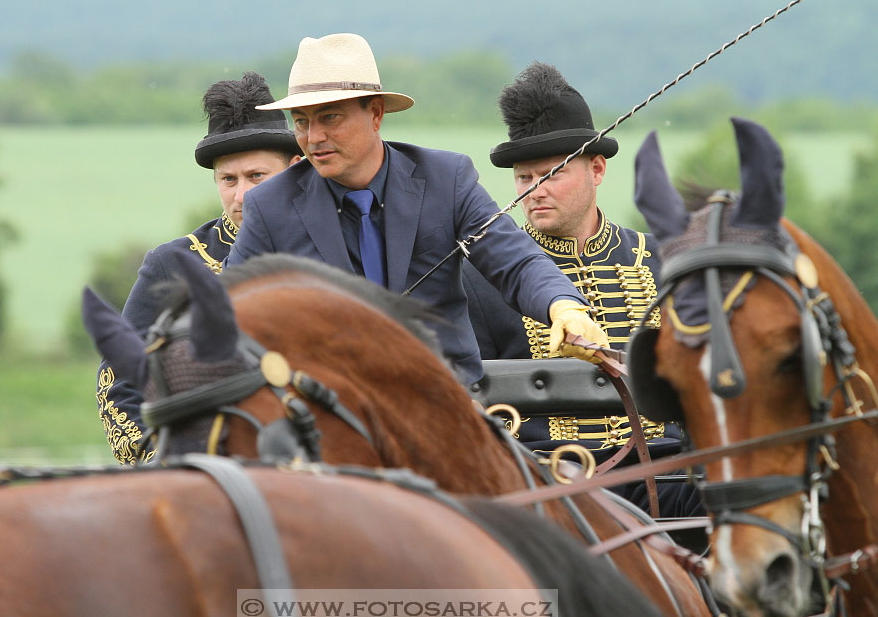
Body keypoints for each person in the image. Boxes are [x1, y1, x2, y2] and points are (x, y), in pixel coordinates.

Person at [225, 33, 608, 386]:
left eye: (330, 117)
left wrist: (563, 306)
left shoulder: (446, 178)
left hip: (443, 400)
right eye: (302, 122)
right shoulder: (270, 205)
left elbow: (513, 260)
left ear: (375, 114)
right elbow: (231, 309)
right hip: (331, 412)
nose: (314, 138)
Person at [461, 63, 700, 517]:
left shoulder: (659, 260)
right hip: (554, 488)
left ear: (596, 170)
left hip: (664, 473)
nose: (534, 192)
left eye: (550, 175)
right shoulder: (482, 276)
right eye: (524, 178)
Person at [96, 72, 301, 464]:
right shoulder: (173, 264)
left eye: (257, 176)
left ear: (294, 168)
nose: (242, 196)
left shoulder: (331, 245)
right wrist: (165, 462)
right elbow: (119, 383)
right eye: (228, 179)